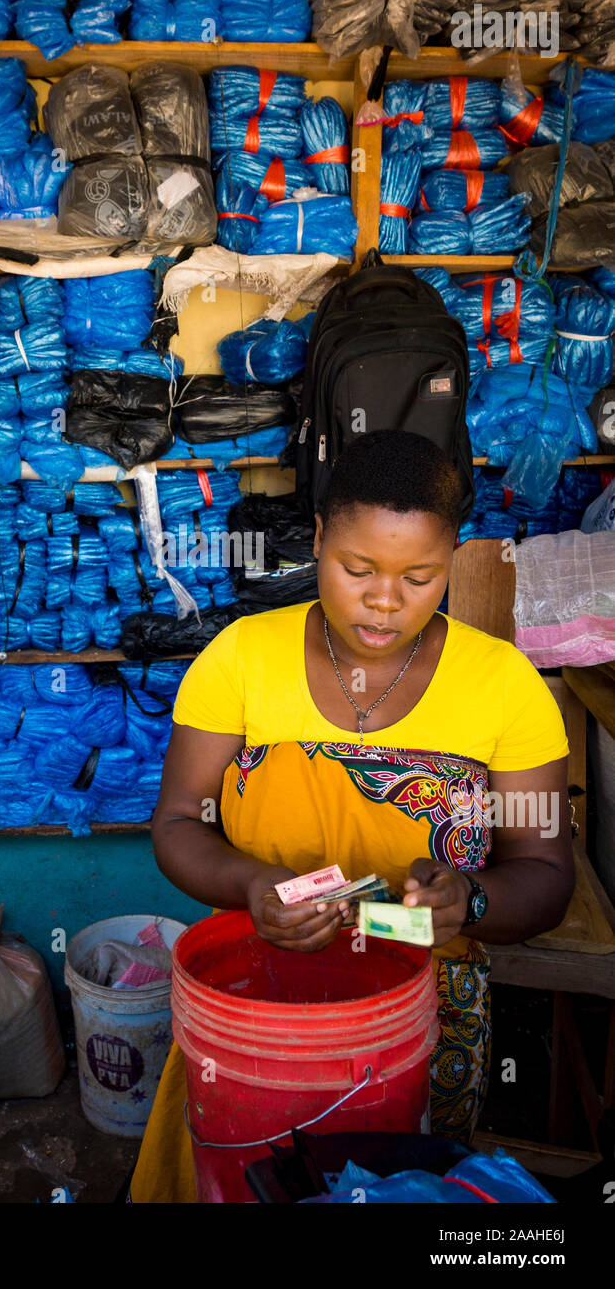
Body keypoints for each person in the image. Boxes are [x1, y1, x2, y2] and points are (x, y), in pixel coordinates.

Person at [129, 429, 574, 1203]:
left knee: (403, 1187)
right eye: (357, 568)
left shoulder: (504, 685)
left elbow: (544, 872)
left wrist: (469, 901)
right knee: (249, 1178)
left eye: (419, 576)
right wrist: (255, 884)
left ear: (453, 559)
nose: (383, 600)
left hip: (423, 1009)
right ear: (321, 538)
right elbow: (177, 824)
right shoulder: (241, 658)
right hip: (258, 994)